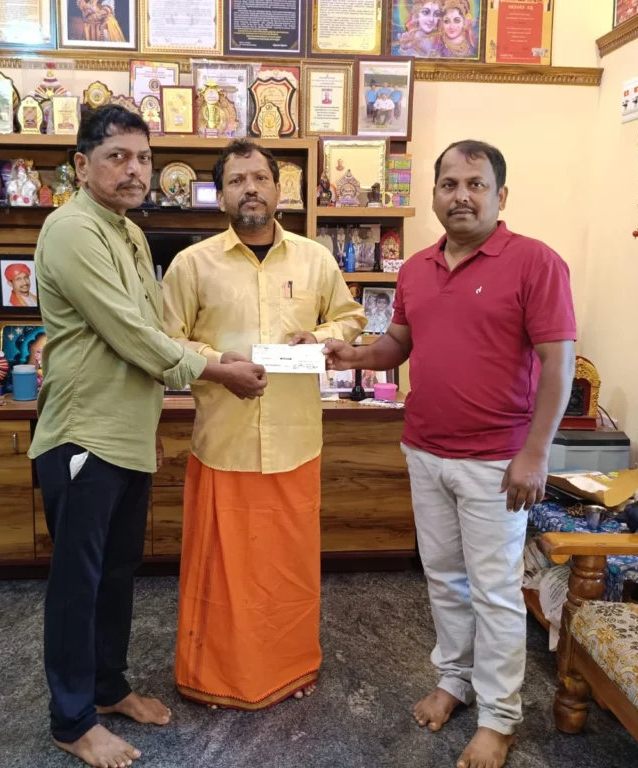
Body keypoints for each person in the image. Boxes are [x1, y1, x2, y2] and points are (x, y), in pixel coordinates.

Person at [324, 140, 576, 768]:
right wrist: (353, 355)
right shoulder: (416, 268)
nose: (461, 195)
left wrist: (535, 454)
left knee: (494, 591)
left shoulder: (536, 262)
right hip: (424, 449)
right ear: (434, 194)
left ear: (500, 195)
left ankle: (500, 716)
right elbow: (398, 344)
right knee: (442, 578)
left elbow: (559, 363)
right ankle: (455, 681)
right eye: (449, 184)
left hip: (498, 461)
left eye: (475, 184)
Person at [28, 105, 267, 768]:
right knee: (78, 583)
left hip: (126, 436)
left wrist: (151, 423)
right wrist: (217, 370)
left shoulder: (129, 232)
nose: (134, 170)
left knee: (116, 573)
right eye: (117, 157)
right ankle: (71, 720)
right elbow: (132, 337)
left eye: (142, 157)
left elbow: (155, 332)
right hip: (82, 436)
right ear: (82, 165)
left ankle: (107, 689)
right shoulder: (71, 229)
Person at [162, 139, 367, 711]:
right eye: (236, 180)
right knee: (222, 574)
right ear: (220, 194)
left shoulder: (315, 259)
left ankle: (289, 667)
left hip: (295, 442)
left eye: (260, 178)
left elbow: (350, 317)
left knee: (287, 571)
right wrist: (217, 365)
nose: (249, 189)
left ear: (279, 189)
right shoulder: (192, 264)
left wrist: (319, 337)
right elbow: (165, 342)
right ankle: (213, 675)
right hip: (224, 443)